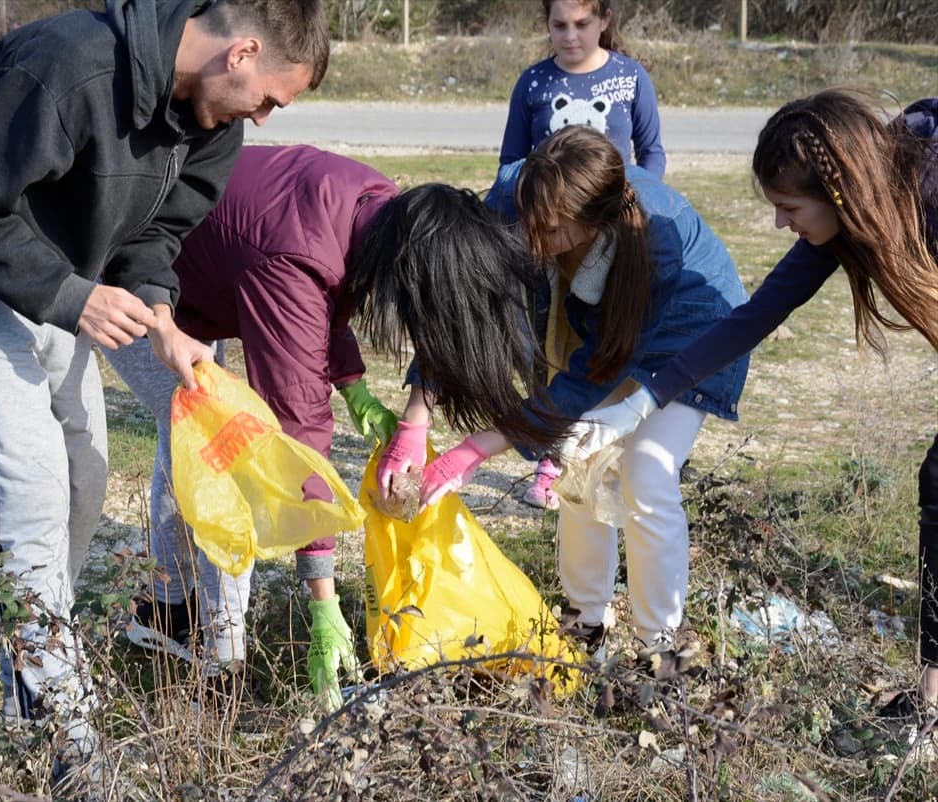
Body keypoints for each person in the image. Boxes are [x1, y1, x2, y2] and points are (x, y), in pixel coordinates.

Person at [0, 0, 327, 782]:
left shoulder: (211, 123)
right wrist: (70, 296)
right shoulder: (71, 64)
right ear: (242, 53)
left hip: (59, 263)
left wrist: (161, 318)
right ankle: (67, 741)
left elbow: (157, 231)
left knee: (85, 471)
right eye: (269, 97)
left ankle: (31, 682)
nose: (263, 119)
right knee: (32, 482)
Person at [563, 90, 938, 700]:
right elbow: (752, 317)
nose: (779, 223)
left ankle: (932, 707)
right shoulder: (854, 213)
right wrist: (643, 400)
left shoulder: (927, 193)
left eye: (789, 207)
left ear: (837, 190)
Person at [384, 125, 749, 650]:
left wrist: (474, 449)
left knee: (646, 472)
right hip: (605, 318)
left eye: (552, 231)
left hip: (688, 332)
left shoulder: (654, 247)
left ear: (597, 226)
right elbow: (468, 305)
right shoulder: (519, 194)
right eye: (532, 223)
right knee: (578, 468)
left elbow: (589, 376)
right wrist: (415, 417)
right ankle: (586, 620)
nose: (535, 241)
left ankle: (660, 646)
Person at [106, 145, 399, 711]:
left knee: (185, 439)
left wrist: (354, 384)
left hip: (189, 270)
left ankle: (170, 610)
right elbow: (297, 435)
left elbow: (317, 296)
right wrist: (322, 599)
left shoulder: (375, 205)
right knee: (222, 446)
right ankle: (223, 660)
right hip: (129, 275)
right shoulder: (311, 237)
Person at [487, 0, 666, 512]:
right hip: (549, 241)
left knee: (595, 341)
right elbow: (511, 162)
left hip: (608, 241)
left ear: (605, 21)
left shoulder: (631, 78)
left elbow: (651, 154)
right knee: (548, 340)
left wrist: (632, 206)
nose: (570, 36)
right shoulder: (533, 83)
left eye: (582, 24)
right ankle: (549, 449)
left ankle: (575, 450)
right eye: (558, 25)